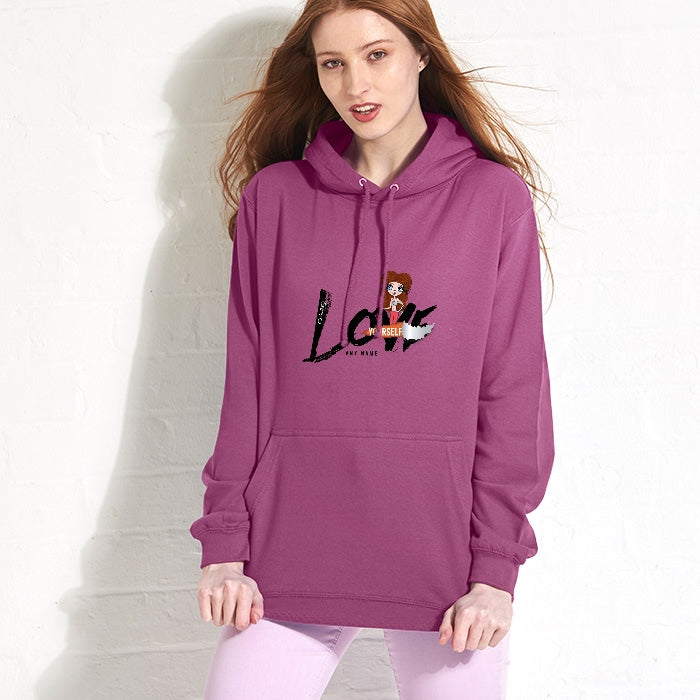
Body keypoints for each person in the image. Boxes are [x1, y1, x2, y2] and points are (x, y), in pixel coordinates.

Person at [189, 0, 556, 697]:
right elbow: (247, 385)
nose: (356, 84)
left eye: (377, 54)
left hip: (447, 580)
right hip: (283, 562)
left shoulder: (492, 199)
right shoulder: (275, 199)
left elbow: (513, 392)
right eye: (333, 63)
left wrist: (495, 570)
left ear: (421, 53)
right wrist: (225, 545)